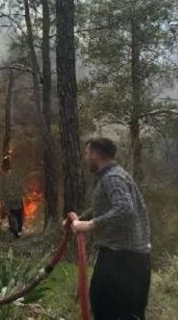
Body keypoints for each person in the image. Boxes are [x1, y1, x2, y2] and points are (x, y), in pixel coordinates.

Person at [71, 137, 151, 320]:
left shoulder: (112, 178)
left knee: (116, 312)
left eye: (87, 153)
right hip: (120, 256)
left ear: (96, 154)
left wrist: (90, 225)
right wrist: (80, 219)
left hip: (124, 260)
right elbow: (106, 205)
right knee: (104, 304)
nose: (85, 158)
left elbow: (124, 209)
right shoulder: (112, 175)